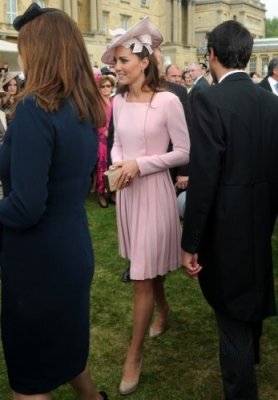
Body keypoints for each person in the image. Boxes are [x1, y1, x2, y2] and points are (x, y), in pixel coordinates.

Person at [0, 3, 108, 400]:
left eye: (24, 46)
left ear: (40, 51)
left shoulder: (34, 109)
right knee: (69, 355)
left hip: (38, 264)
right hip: (72, 250)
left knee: (29, 382)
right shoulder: (82, 108)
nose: (21, 54)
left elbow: (27, 206)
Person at [181, 20, 278, 400]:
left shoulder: (209, 99)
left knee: (232, 312)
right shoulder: (270, 101)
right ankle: (249, 353)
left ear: (212, 55)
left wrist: (190, 242)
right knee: (251, 289)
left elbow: (204, 178)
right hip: (260, 219)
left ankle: (242, 387)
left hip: (227, 225)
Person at [101, 16, 190, 395]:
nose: (116, 68)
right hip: (129, 194)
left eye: (122, 61)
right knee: (145, 268)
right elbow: (117, 141)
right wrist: (118, 163)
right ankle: (164, 309)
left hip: (154, 193)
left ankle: (133, 355)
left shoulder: (169, 100)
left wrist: (143, 164)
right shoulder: (118, 102)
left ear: (143, 62)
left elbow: (185, 152)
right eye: (115, 62)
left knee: (140, 278)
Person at [95, 75, 115, 208]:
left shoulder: (115, 101)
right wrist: (103, 131)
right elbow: (93, 120)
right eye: (103, 86)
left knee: (114, 165)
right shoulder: (96, 103)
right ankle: (101, 193)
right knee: (102, 166)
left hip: (115, 138)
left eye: (108, 86)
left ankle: (112, 191)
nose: (106, 88)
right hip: (101, 139)